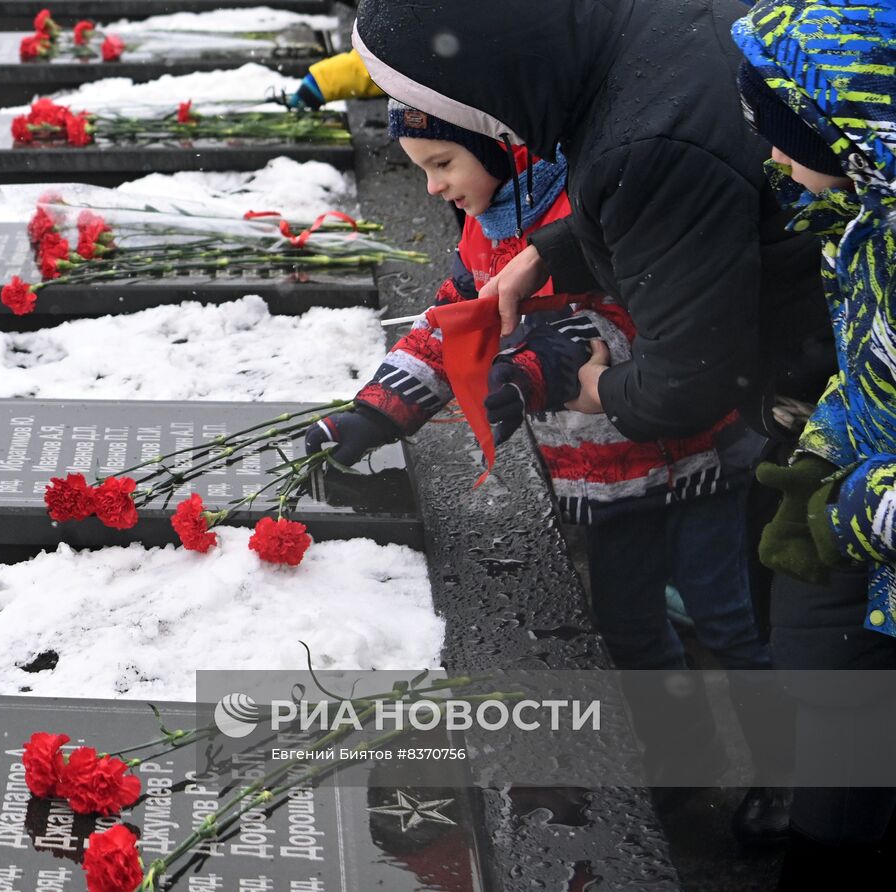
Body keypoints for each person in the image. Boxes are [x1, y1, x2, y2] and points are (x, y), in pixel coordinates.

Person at [305, 100, 787, 843]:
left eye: (442, 166)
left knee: (731, 623)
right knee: (630, 633)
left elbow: (641, 323)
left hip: (690, 460)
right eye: (423, 172)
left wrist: (534, 369)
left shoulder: (585, 205)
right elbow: (456, 320)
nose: (434, 189)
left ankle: (786, 778)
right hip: (598, 479)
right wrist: (376, 411)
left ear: (497, 149)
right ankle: (682, 766)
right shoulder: (487, 223)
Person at [350, 0, 831, 445]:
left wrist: (597, 387)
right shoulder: (645, 34)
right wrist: (551, 252)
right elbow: (688, 213)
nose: (434, 187)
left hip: (814, 385)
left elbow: (687, 373)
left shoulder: (641, 148)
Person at [732, 1, 896, 884]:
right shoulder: (875, 220)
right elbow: (869, 368)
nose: (771, 156)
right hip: (873, 563)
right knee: (840, 740)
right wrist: (825, 450)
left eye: (787, 133)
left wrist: (852, 512)